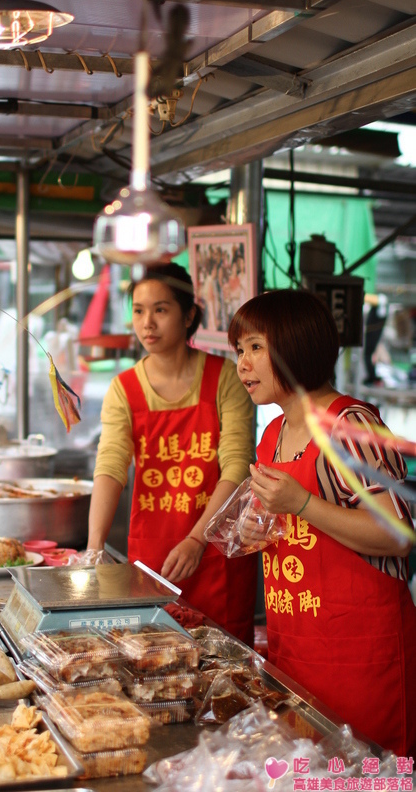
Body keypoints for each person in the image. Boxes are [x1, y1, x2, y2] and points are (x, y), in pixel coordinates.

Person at [228, 288, 416, 756]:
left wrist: (302, 504)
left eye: (255, 347)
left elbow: (398, 536)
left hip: (361, 660)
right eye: (239, 350)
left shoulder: (351, 426)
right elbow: (284, 520)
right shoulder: (272, 433)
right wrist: (256, 531)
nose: (242, 364)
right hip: (297, 649)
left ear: (296, 346)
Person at [87, 262, 258, 644]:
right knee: (155, 659)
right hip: (153, 559)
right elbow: (111, 465)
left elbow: (236, 463)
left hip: (217, 552)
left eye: (161, 310)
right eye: (139, 310)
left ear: (189, 316)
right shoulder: (124, 388)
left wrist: (198, 538)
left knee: (226, 670)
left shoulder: (224, 377)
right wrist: (94, 547)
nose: (147, 323)